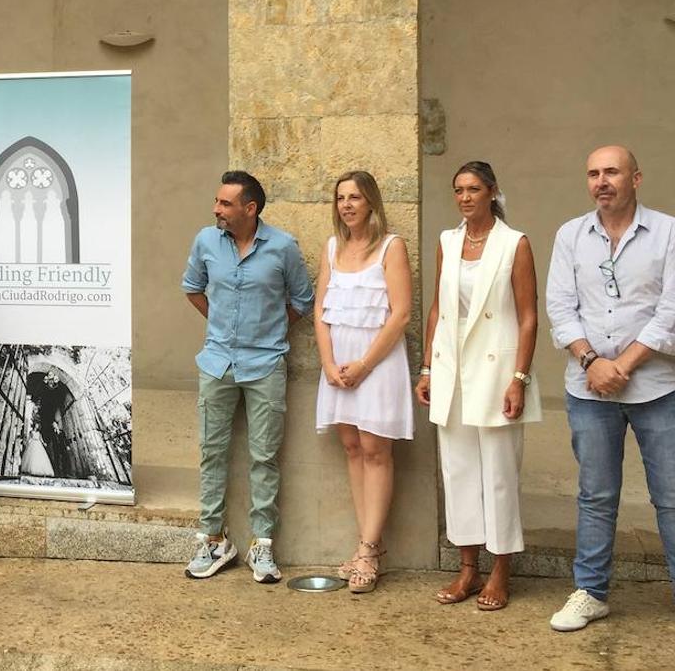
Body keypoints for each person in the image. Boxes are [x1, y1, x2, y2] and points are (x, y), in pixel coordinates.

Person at [546, 145, 675, 632]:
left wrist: (622, 363)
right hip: (589, 390)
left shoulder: (667, 233)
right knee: (596, 495)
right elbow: (560, 305)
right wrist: (591, 361)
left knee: (671, 496)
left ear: (636, 178)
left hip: (659, 387)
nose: (602, 181)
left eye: (612, 172)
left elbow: (671, 309)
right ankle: (590, 592)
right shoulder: (571, 235)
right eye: (594, 173)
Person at [415, 161, 541, 611]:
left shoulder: (514, 244)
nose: (465, 197)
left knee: (499, 474)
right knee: (459, 470)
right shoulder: (448, 242)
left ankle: (501, 569)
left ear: (492, 192)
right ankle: (468, 568)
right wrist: (427, 367)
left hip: (496, 371)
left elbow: (528, 316)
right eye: (458, 190)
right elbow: (436, 310)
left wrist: (519, 378)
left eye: (473, 189)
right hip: (453, 370)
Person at [181, 170, 314, 583]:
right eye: (217, 202)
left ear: (250, 208)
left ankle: (263, 545)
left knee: (264, 457)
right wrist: (221, 325)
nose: (216, 209)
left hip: (265, 365)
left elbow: (303, 299)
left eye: (225, 203)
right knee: (212, 452)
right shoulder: (206, 241)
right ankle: (214, 540)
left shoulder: (282, 247)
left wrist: (268, 330)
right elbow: (192, 288)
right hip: (217, 362)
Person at [313, 171, 414, 594]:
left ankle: (371, 549)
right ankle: (363, 544)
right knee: (352, 447)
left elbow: (401, 313)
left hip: (377, 362)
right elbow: (320, 311)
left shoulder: (392, 247)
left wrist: (364, 365)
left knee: (375, 449)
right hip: (338, 366)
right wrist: (329, 363)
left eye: (355, 197)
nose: (347, 204)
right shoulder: (332, 248)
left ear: (371, 201)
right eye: (341, 198)